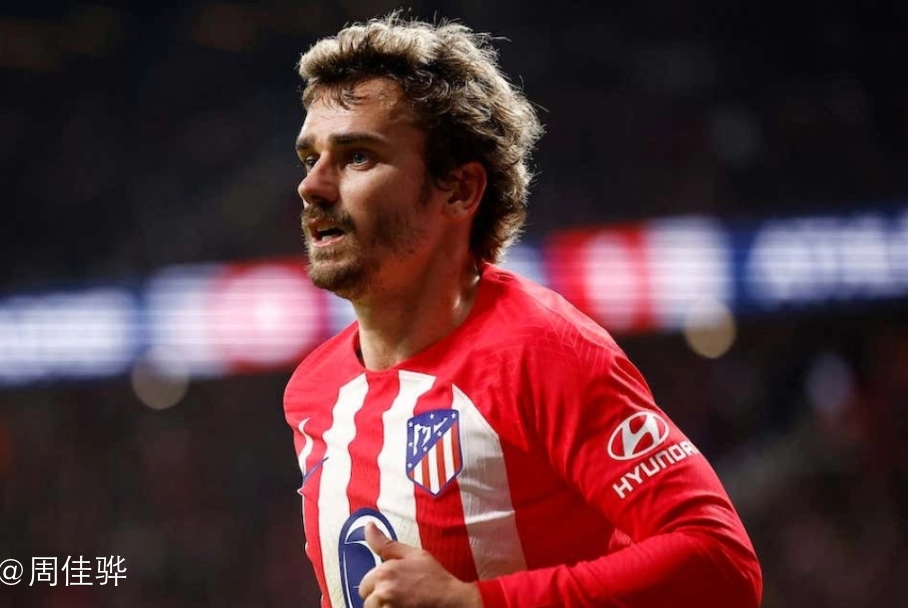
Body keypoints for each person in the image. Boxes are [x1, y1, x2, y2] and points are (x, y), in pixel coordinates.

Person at [283, 13, 761, 608]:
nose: (312, 185)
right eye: (310, 158)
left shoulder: (543, 352)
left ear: (459, 190)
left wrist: (476, 602)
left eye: (357, 156)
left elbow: (719, 560)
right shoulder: (313, 392)